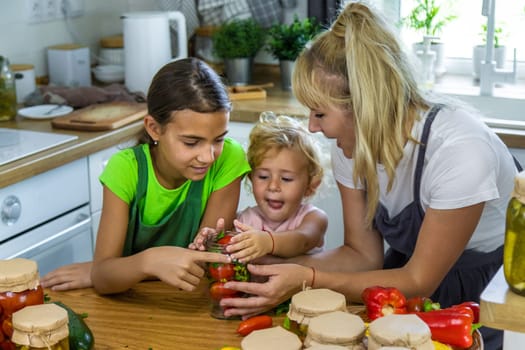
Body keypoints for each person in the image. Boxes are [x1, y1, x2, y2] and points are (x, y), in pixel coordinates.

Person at [218, 2, 519, 349]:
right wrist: (270, 270)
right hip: (402, 281)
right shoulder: (353, 145)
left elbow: (419, 279)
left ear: (363, 106)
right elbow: (362, 256)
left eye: (319, 113)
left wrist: (307, 278)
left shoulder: (460, 151)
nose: (313, 128)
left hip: (486, 290)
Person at [40, 57, 251, 294]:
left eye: (219, 139)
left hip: (189, 299)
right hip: (132, 305)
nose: (208, 157)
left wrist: (119, 269)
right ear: (154, 128)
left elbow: (204, 262)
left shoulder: (229, 158)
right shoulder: (126, 170)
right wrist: (147, 262)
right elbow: (103, 278)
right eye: (192, 142)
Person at [192, 113, 328, 263]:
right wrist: (212, 241)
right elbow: (226, 253)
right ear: (251, 178)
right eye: (263, 177)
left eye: (286, 179)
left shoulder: (313, 218)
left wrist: (268, 242)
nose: (273, 186)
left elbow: (303, 240)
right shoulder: (243, 221)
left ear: (310, 186)